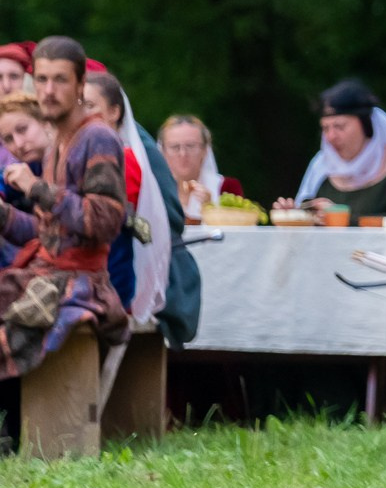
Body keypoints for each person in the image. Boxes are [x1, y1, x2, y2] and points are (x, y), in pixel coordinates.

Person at [0, 38, 130, 382]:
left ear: (80, 85)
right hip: (44, 271)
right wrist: (3, 216)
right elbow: (50, 235)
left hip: (81, 284)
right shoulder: (56, 140)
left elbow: (103, 221)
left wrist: (36, 188)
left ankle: (11, 428)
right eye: (42, 80)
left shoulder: (97, 138)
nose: (48, 90)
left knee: (15, 329)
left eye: (60, 80)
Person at [82, 70, 175, 325]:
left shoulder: (126, 161)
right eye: (78, 105)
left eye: (90, 105)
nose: (82, 114)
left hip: (111, 275)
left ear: (114, 112)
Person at [278, 80, 386, 222]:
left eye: (340, 127)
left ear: (366, 125)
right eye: (325, 128)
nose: (331, 137)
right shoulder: (321, 166)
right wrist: (294, 215)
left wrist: (344, 219)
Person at [157, 115, 244, 218]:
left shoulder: (226, 187)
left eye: (190, 146)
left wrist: (211, 209)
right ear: (163, 151)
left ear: (205, 150)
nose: (183, 154)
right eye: (174, 147)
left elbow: (240, 230)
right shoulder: (153, 190)